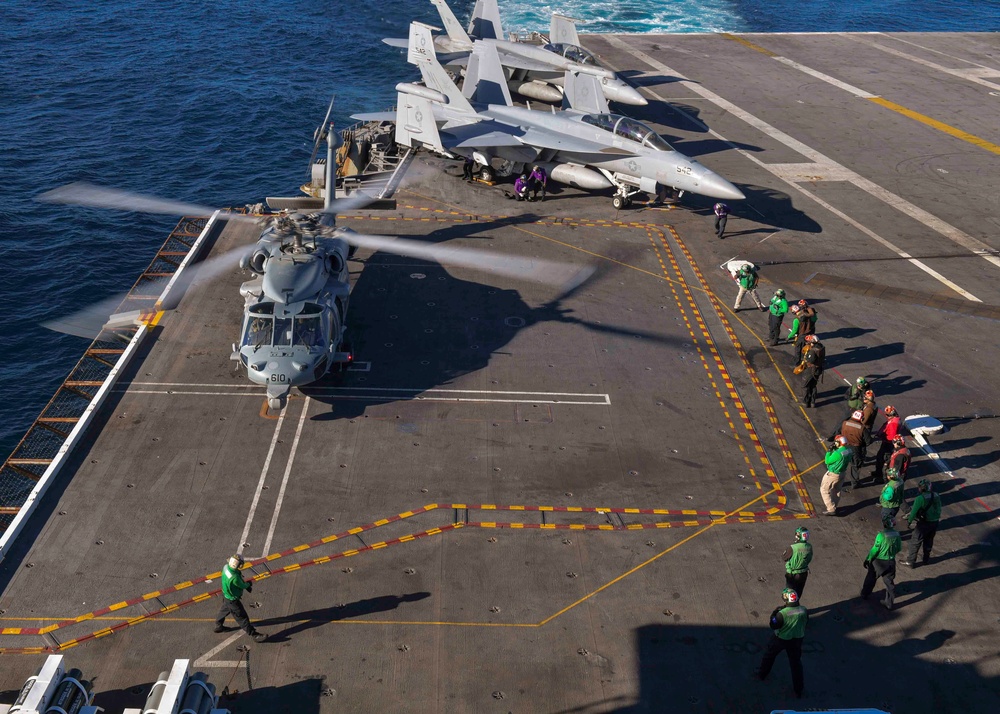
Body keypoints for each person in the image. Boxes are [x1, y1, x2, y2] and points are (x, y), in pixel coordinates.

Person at [755, 588, 807, 698]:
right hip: (797, 640)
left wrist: (774, 613)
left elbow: (773, 625)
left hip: (781, 639)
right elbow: (806, 621)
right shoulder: (803, 610)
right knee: (796, 664)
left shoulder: (782, 614)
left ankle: (762, 674)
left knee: (769, 656)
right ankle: (798, 690)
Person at [214, 554, 267, 642]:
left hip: (226, 595)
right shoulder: (235, 578)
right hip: (233, 600)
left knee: (224, 610)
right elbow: (242, 585)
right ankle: (254, 635)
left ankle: (218, 625)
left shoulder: (226, 567)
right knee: (242, 617)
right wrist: (248, 584)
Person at [861, 515, 902, 610]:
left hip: (879, 562)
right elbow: (899, 548)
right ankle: (889, 603)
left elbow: (875, 550)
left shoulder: (881, 535)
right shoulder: (897, 534)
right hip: (891, 562)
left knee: (871, 578)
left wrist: (868, 559)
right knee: (889, 583)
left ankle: (865, 594)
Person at [902, 479, 942, 567]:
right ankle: (926, 559)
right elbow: (939, 508)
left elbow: (913, 512)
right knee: (929, 541)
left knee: (915, 541)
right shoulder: (935, 495)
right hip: (935, 522)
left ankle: (910, 561)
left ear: (921, 488)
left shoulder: (920, 498)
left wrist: (909, 522)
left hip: (924, 523)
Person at [831, 410, 870, 489]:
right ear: (861, 418)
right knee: (855, 465)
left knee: (841, 463)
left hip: (844, 446)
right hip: (856, 449)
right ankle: (854, 483)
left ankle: (835, 481)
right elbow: (868, 441)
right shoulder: (862, 428)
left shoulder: (845, 423)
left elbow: (838, 432)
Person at [821, 435, 852, 516]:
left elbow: (827, 461)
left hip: (833, 474)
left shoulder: (838, 454)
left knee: (824, 490)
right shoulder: (849, 450)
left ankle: (831, 509)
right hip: (842, 473)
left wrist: (829, 451)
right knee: (836, 490)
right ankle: (834, 505)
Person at [873, 406, 903, 482]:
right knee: (881, 458)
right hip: (887, 443)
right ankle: (879, 473)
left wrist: (883, 437)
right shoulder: (894, 420)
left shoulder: (893, 423)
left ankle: (883, 477)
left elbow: (891, 436)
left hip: (888, 444)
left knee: (884, 460)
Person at [782, 527, 812, 597]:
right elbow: (809, 559)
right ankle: (797, 603)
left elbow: (784, 558)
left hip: (792, 574)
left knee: (789, 592)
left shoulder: (792, 547)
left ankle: (789, 605)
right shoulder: (809, 547)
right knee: (799, 591)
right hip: (803, 573)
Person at [798, 334, 825, 408]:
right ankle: (812, 402)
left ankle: (805, 401)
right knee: (813, 385)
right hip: (818, 369)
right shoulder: (821, 347)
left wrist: (805, 357)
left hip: (810, 370)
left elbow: (810, 360)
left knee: (805, 385)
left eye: (809, 342)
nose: (808, 343)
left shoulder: (812, 351)